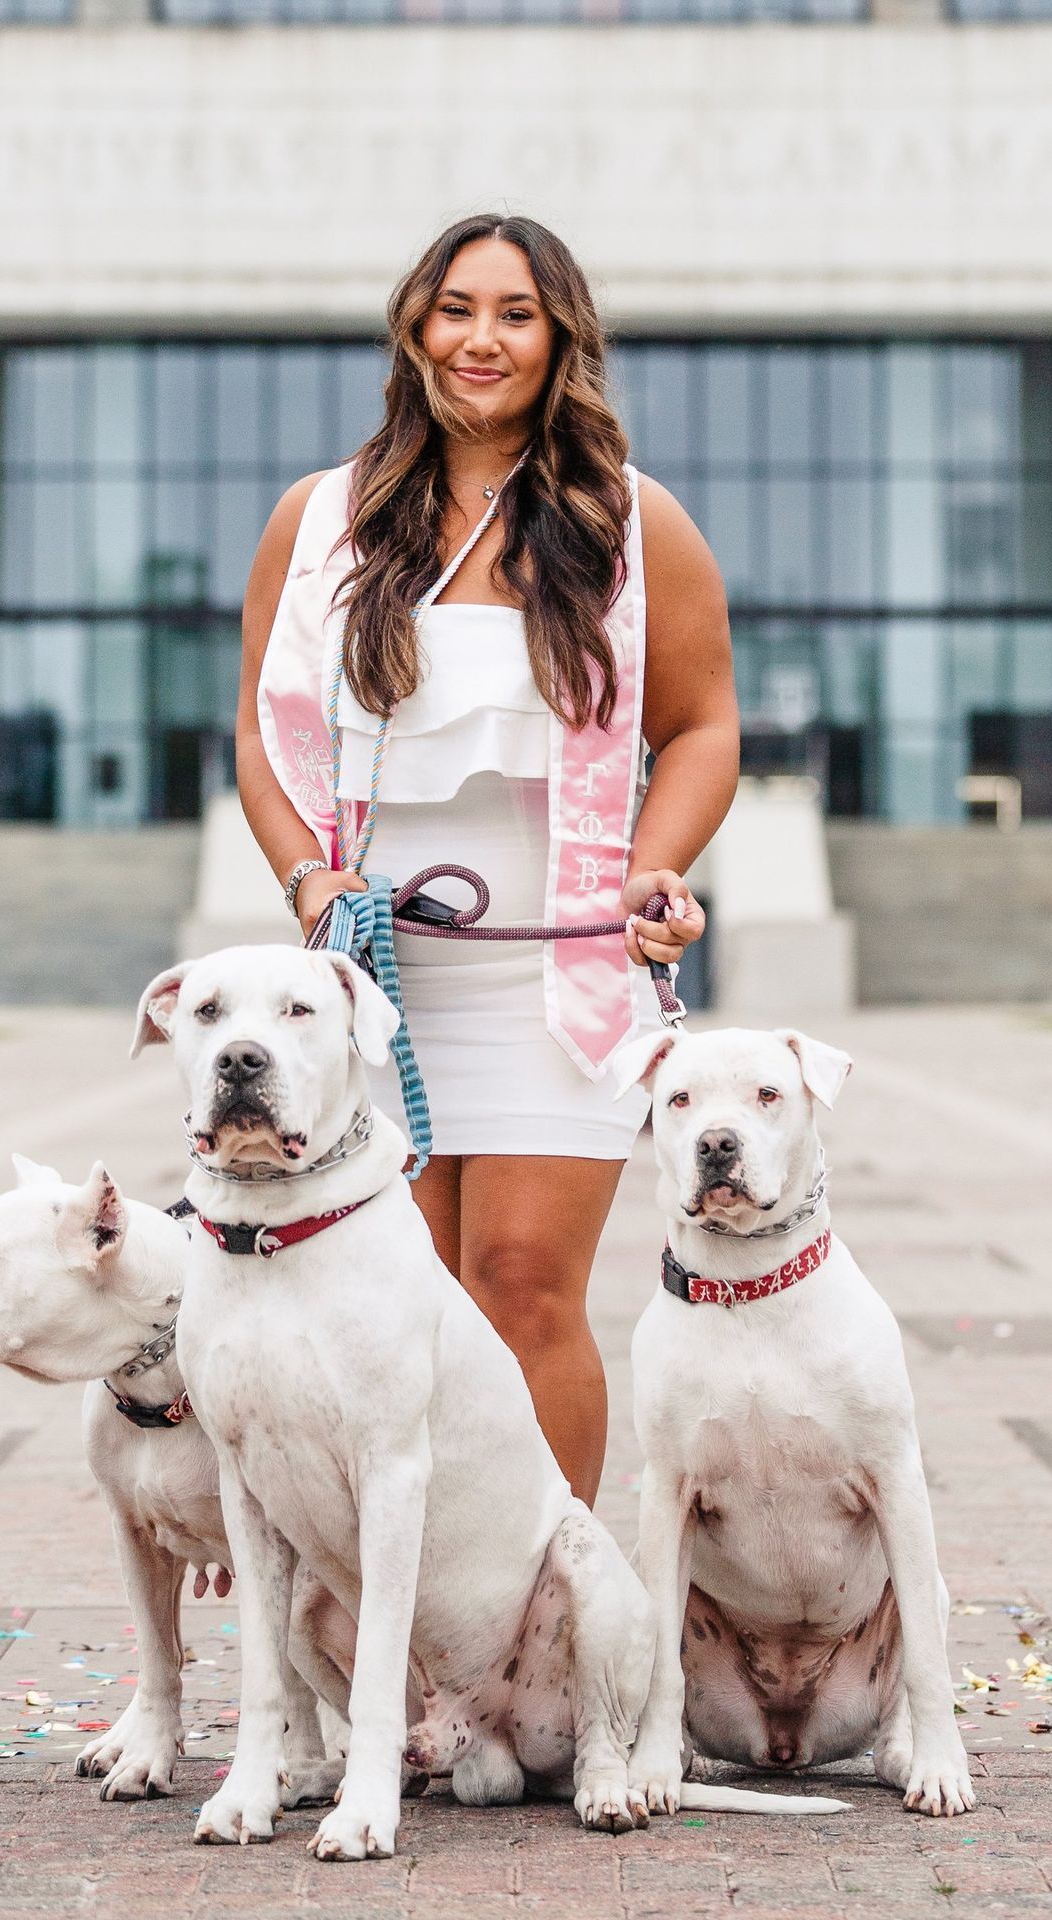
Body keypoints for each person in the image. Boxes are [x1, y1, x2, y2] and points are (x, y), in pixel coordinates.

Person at [236, 214, 739, 1503]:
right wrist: (309, 882)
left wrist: (652, 865)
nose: (482, 339)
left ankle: (554, 1620)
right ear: (415, 326)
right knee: (399, 1319)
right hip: (371, 978)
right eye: (458, 308)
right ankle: (428, 1635)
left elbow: (701, 728)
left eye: (517, 313)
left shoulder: (629, 521)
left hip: (557, 976)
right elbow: (263, 735)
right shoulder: (320, 521)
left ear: (560, 336)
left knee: (521, 1288)